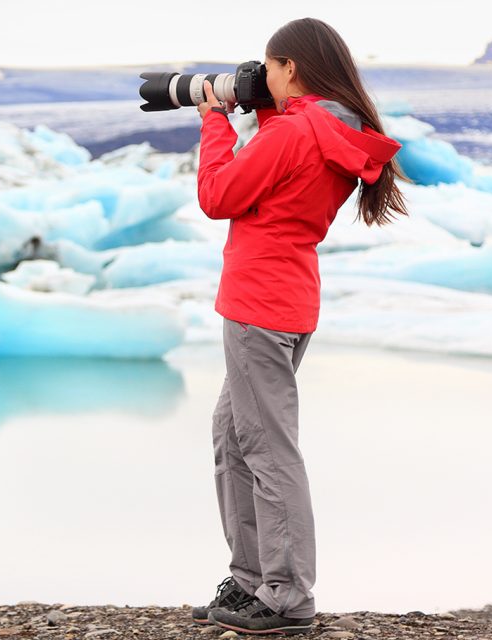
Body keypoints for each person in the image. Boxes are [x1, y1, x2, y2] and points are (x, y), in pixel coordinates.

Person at [186, 17, 407, 636]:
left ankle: (285, 596)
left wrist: (213, 119)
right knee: (234, 435)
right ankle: (253, 579)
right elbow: (278, 188)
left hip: (258, 303)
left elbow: (219, 195)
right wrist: (261, 119)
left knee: (265, 447)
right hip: (287, 298)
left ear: (291, 67)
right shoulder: (333, 130)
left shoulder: (299, 131)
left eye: (269, 66)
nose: (265, 77)